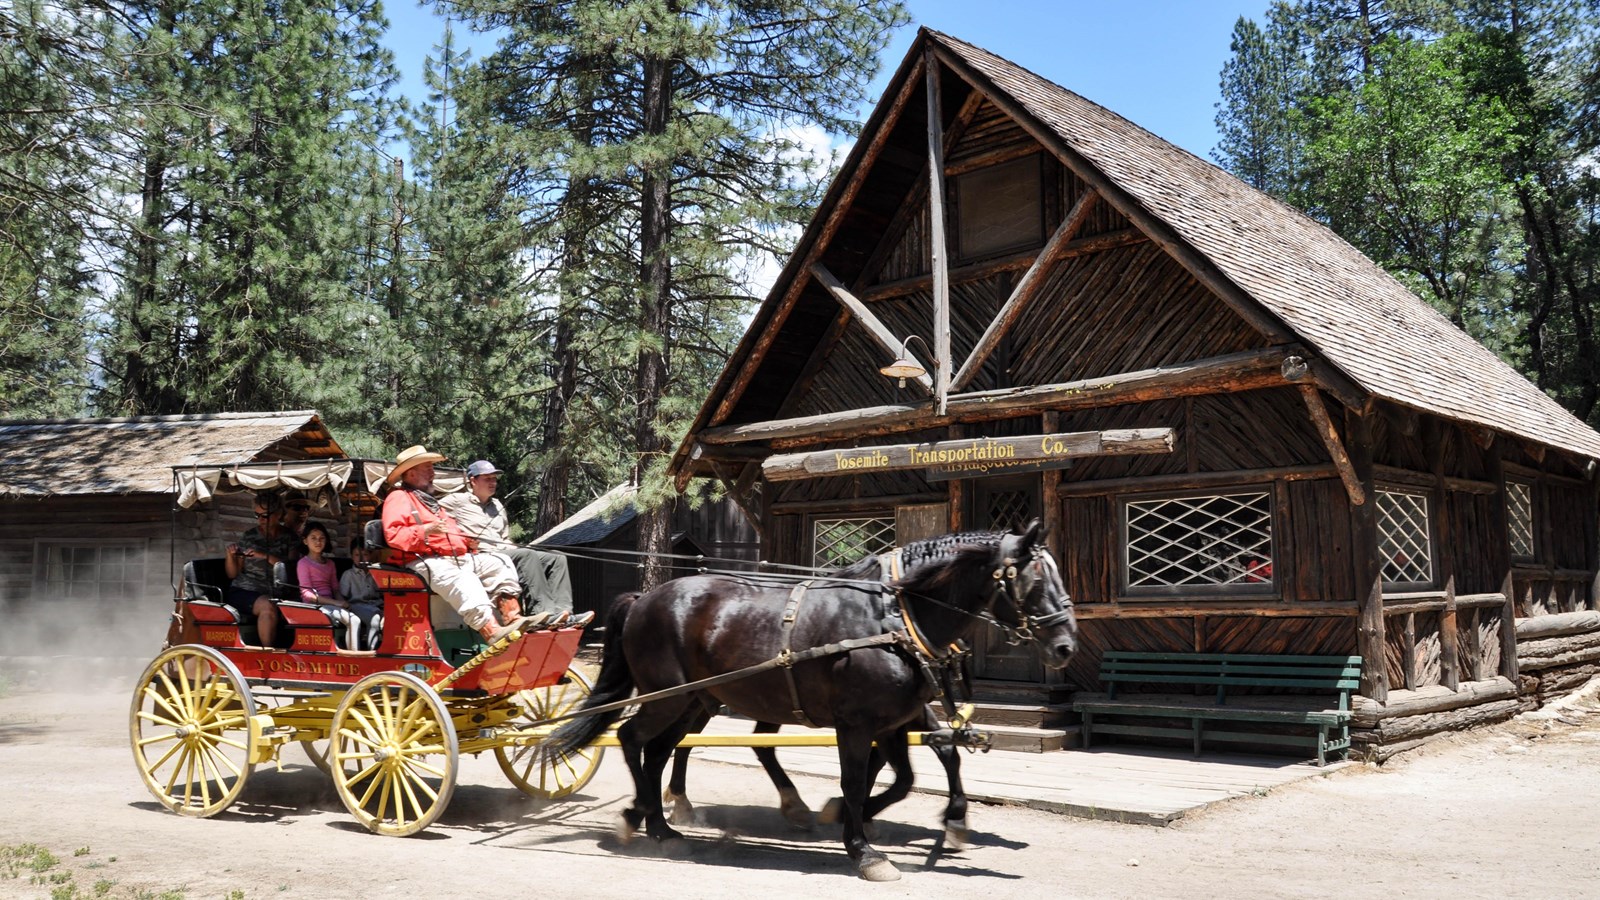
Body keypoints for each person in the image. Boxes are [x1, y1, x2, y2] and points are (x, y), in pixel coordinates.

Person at [380, 445, 533, 643]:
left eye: (432, 467)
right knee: (464, 578)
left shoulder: (431, 502)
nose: (433, 472)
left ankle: (512, 616)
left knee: (499, 561)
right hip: (419, 562)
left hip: (451, 558)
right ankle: (491, 630)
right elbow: (394, 535)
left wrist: (468, 542)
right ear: (411, 473)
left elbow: (450, 534)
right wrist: (425, 530)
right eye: (427, 468)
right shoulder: (399, 497)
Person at [439, 459, 591, 629]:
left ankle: (564, 614)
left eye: (494, 479)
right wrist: (462, 540)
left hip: (504, 551)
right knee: (527, 556)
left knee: (557, 558)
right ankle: (542, 613)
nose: (493, 482)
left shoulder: (497, 505)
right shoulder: (456, 501)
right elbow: (433, 517)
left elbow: (504, 537)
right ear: (473, 481)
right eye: (487, 479)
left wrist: (515, 547)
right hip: (482, 556)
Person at [223, 493, 299, 647]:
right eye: (257, 515)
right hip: (245, 591)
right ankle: (267, 654)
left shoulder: (290, 537)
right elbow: (232, 573)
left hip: (278, 591)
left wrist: (265, 556)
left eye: (265, 515)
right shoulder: (249, 537)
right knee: (268, 606)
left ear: (278, 514)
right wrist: (230, 556)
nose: (261, 520)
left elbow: (291, 569)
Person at [295, 522, 361, 649]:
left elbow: (335, 588)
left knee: (355, 620)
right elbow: (307, 594)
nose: (318, 542)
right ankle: (353, 657)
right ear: (305, 541)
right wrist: (335, 603)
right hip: (314, 606)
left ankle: (354, 654)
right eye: (313, 538)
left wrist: (342, 602)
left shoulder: (330, 564)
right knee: (352, 621)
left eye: (321, 538)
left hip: (331, 604)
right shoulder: (303, 563)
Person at [340, 535, 384, 650]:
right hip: (356, 606)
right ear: (351, 556)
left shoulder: (376, 573)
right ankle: (372, 651)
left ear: (370, 555)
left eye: (364, 554)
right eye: (357, 555)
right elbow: (342, 596)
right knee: (374, 619)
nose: (361, 558)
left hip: (376, 605)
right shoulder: (348, 575)